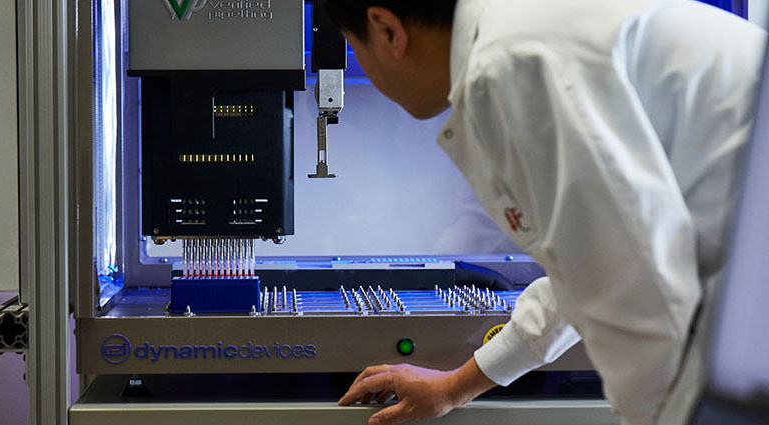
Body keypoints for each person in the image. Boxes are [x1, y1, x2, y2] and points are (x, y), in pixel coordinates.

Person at [326, 1, 767, 424]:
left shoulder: (508, 65)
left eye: (353, 46)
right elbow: (590, 267)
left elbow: (640, 312)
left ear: (386, 30)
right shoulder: (521, 35)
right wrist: (455, 387)